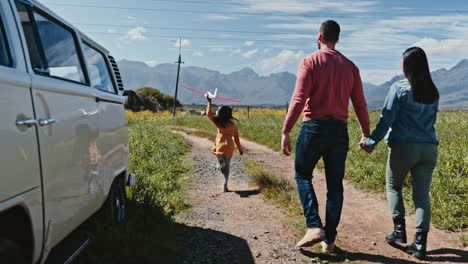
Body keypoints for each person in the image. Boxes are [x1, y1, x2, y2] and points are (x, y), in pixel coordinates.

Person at [281, 20, 370, 253]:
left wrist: (286, 130)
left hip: (313, 128)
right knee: (335, 186)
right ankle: (329, 241)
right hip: (339, 131)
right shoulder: (350, 67)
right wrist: (365, 133)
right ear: (337, 39)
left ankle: (313, 226)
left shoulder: (309, 61)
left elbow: (299, 99)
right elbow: (359, 103)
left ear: (319, 37)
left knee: (302, 175)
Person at [361, 47, 439, 260]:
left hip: (404, 147)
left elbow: (386, 119)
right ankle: (420, 243)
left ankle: (399, 231)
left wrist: (370, 141)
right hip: (429, 148)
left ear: (407, 66)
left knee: (393, 186)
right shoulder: (433, 91)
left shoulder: (399, 88)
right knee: (422, 196)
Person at [206, 96, 244, 192]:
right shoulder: (233, 125)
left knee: (220, 161)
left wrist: (209, 103)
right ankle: (225, 184)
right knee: (228, 166)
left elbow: (209, 114)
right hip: (229, 146)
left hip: (220, 145)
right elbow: (236, 138)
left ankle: (220, 165)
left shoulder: (218, 123)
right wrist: (240, 149)